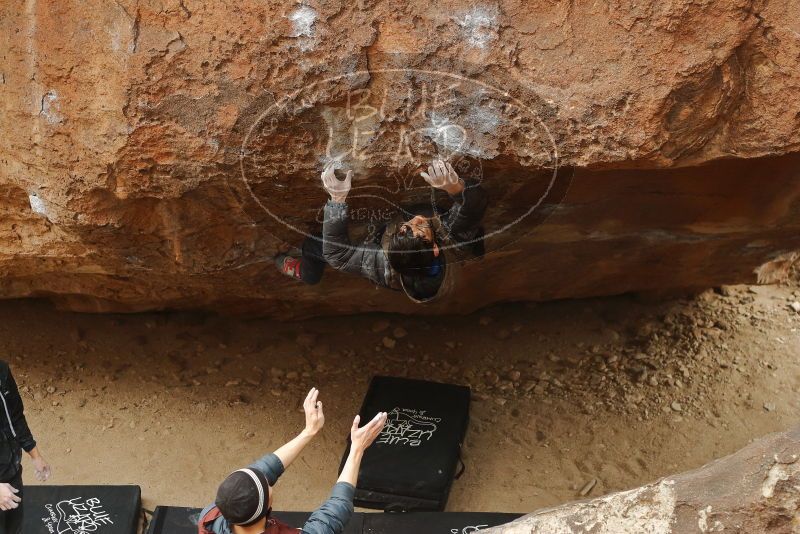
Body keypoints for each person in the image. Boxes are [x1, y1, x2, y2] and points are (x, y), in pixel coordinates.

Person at [275, 159, 488, 302]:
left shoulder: (382, 266)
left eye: (417, 226)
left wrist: (337, 199)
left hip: (428, 278)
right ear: (435, 248)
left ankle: (307, 273)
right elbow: (473, 207)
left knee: (314, 244)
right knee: (455, 221)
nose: (418, 219)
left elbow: (337, 254)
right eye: (414, 227)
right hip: (433, 270)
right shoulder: (453, 236)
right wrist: (454, 187)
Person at [198, 388, 387, 534]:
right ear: (268, 501)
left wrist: (309, 431)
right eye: (265, 482)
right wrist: (357, 449)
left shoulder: (210, 518)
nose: (263, 473)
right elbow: (336, 510)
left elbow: (259, 476)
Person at [0, 360, 52, 534]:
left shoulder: (2, 371)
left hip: (10, 471)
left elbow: (15, 418)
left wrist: (35, 455)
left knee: (13, 527)